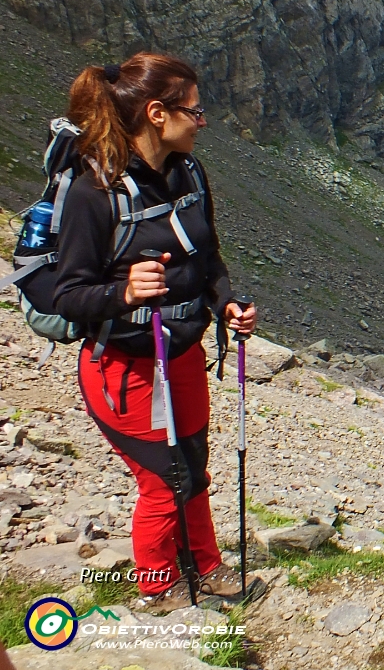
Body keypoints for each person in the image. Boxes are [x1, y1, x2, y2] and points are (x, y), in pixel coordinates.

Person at [53, 53, 258, 613]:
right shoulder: (94, 191)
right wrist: (122, 293)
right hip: (122, 365)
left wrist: (228, 305)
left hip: (183, 352)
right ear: (157, 113)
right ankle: (158, 590)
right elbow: (65, 294)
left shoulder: (188, 172)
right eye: (195, 110)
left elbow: (208, 258)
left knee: (193, 466)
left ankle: (207, 571)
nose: (202, 120)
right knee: (165, 478)